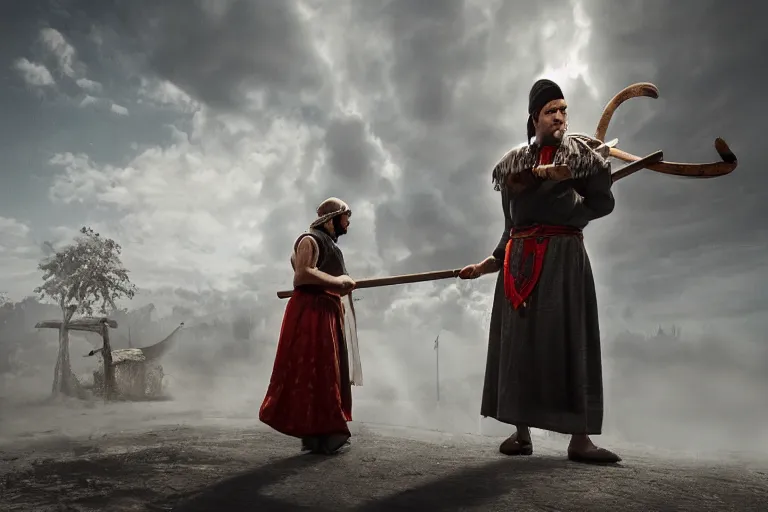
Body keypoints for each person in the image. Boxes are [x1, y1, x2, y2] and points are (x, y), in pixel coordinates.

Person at [459, 78, 621, 464]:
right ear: (534, 118)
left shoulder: (578, 155)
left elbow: (604, 201)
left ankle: (579, 440)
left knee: (570, 340)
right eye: (552, 111)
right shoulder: (513, 164)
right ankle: (521, 434)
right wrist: (489, 262)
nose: (561, 117)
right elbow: (509, 225)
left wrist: (577, 207)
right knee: (520, 347)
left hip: (564, 260)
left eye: (564, 110)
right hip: (518, 263)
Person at [259, 197, 363, 455]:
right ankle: (317, 431)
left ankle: (319, 432)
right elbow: (303, 274)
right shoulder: (310, 240)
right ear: (333, 218)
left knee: (326, 373)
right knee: (315, 371)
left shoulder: (327, 244)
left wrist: (338, 286)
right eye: (345, 217)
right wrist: (339, 282)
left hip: (325, 310)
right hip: (311, 311)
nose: (348, 224)